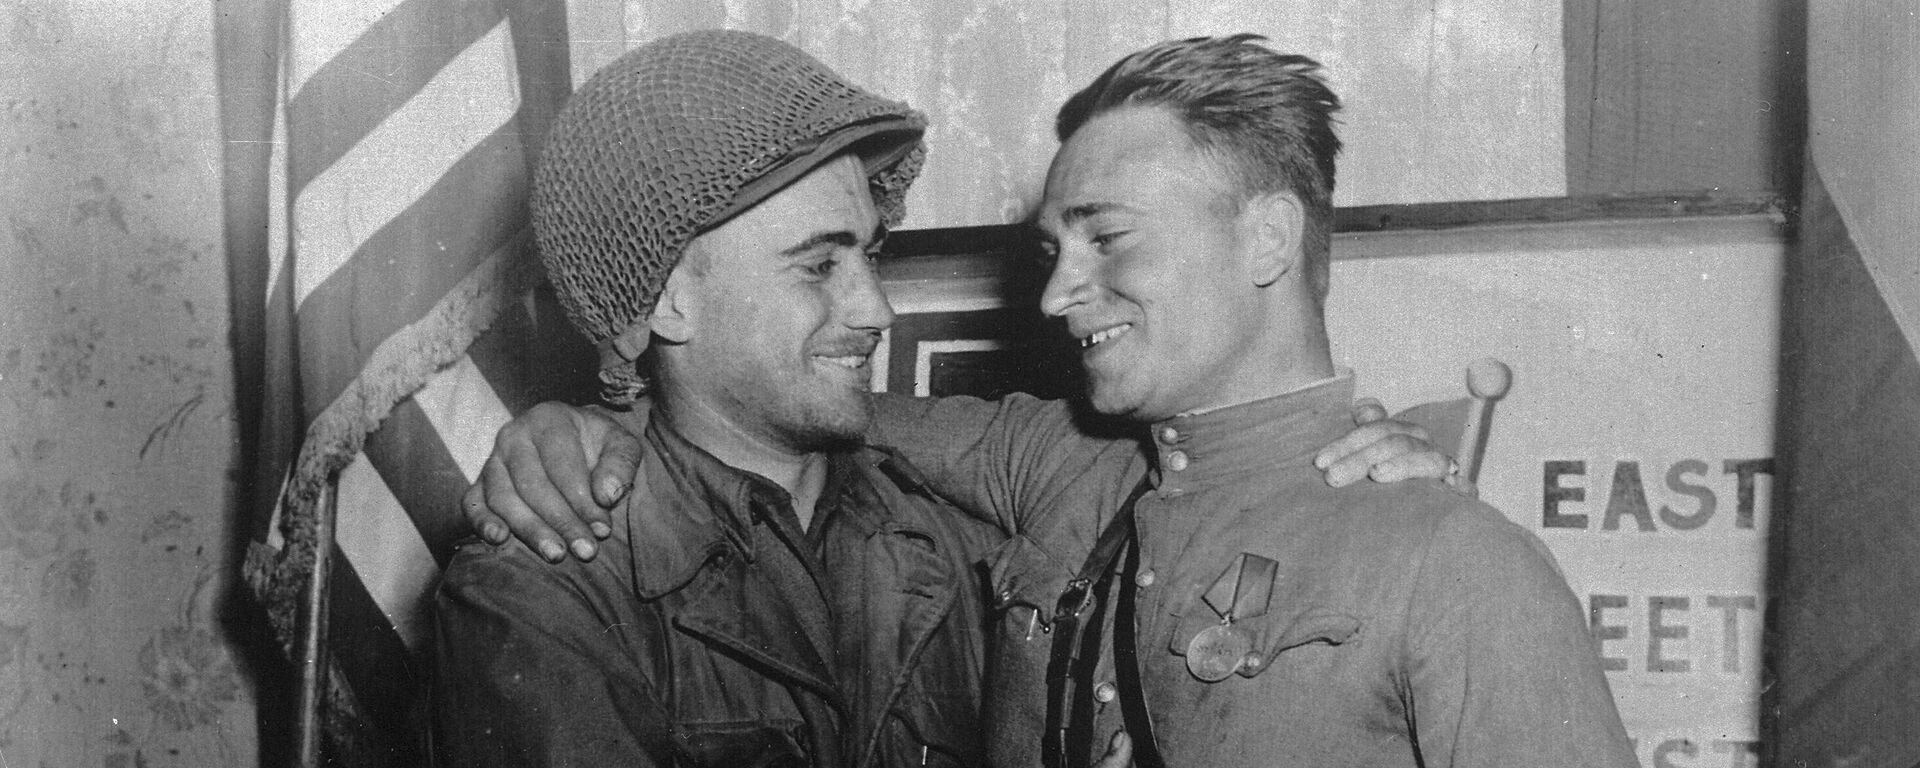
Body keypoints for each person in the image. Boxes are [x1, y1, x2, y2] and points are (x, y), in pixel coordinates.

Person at [464, 34, 1604, 768]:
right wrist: (594, 423)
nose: (1058, 293)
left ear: (1266, 237)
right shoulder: (1054, 478)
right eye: (820, 264)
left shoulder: (1440, 554)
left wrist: (1395, 512)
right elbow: (752, 421)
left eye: (1106, 238)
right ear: (667, 301)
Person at [432, 30, 1004, 767]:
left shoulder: (963, 535)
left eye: (871, 255)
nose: (876, 309)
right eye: (818, 265)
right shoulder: (539, 592)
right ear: (669, 302)